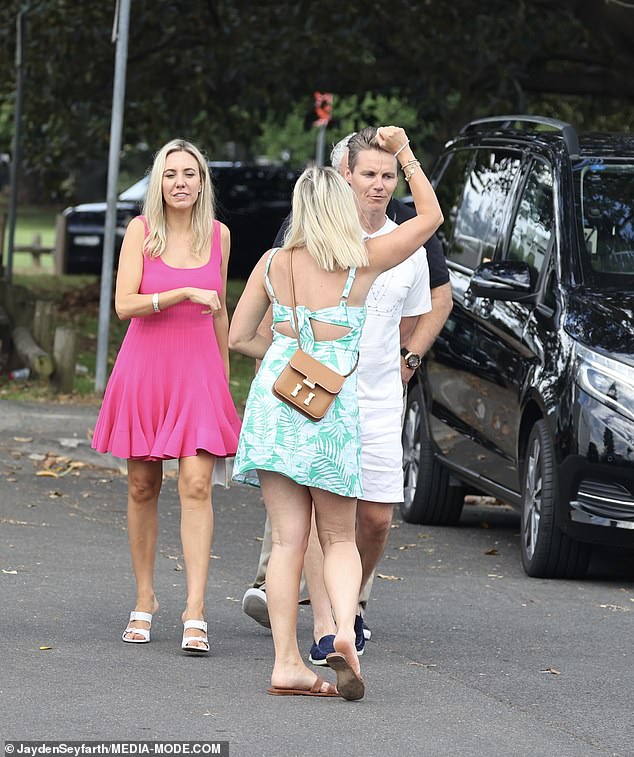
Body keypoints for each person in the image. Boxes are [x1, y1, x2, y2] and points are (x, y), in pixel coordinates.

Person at [228, 125, 443, 700]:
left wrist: (282, 349)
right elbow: (429, 219)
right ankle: (344, 629)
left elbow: (235, 334)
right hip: (331, 411)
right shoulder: (363, 264)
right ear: (339, 205)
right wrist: (405, 155)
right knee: (341, 538)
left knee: (287, 543)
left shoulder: (273, 263)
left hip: (278, 403)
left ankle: (286, 663)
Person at [92, 138, 241, 655]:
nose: (181, 182)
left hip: (199, 373)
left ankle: (195, 608)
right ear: (158, 181)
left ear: (203, 182)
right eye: (171, 173)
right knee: (141, 484)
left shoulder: (219, 235)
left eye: (191, 173)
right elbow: (123, 304)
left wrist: (223, 383)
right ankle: (144, 597)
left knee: (196, 483)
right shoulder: (141, 231)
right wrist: (178, 293)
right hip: (146, 370)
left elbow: (219, 312)